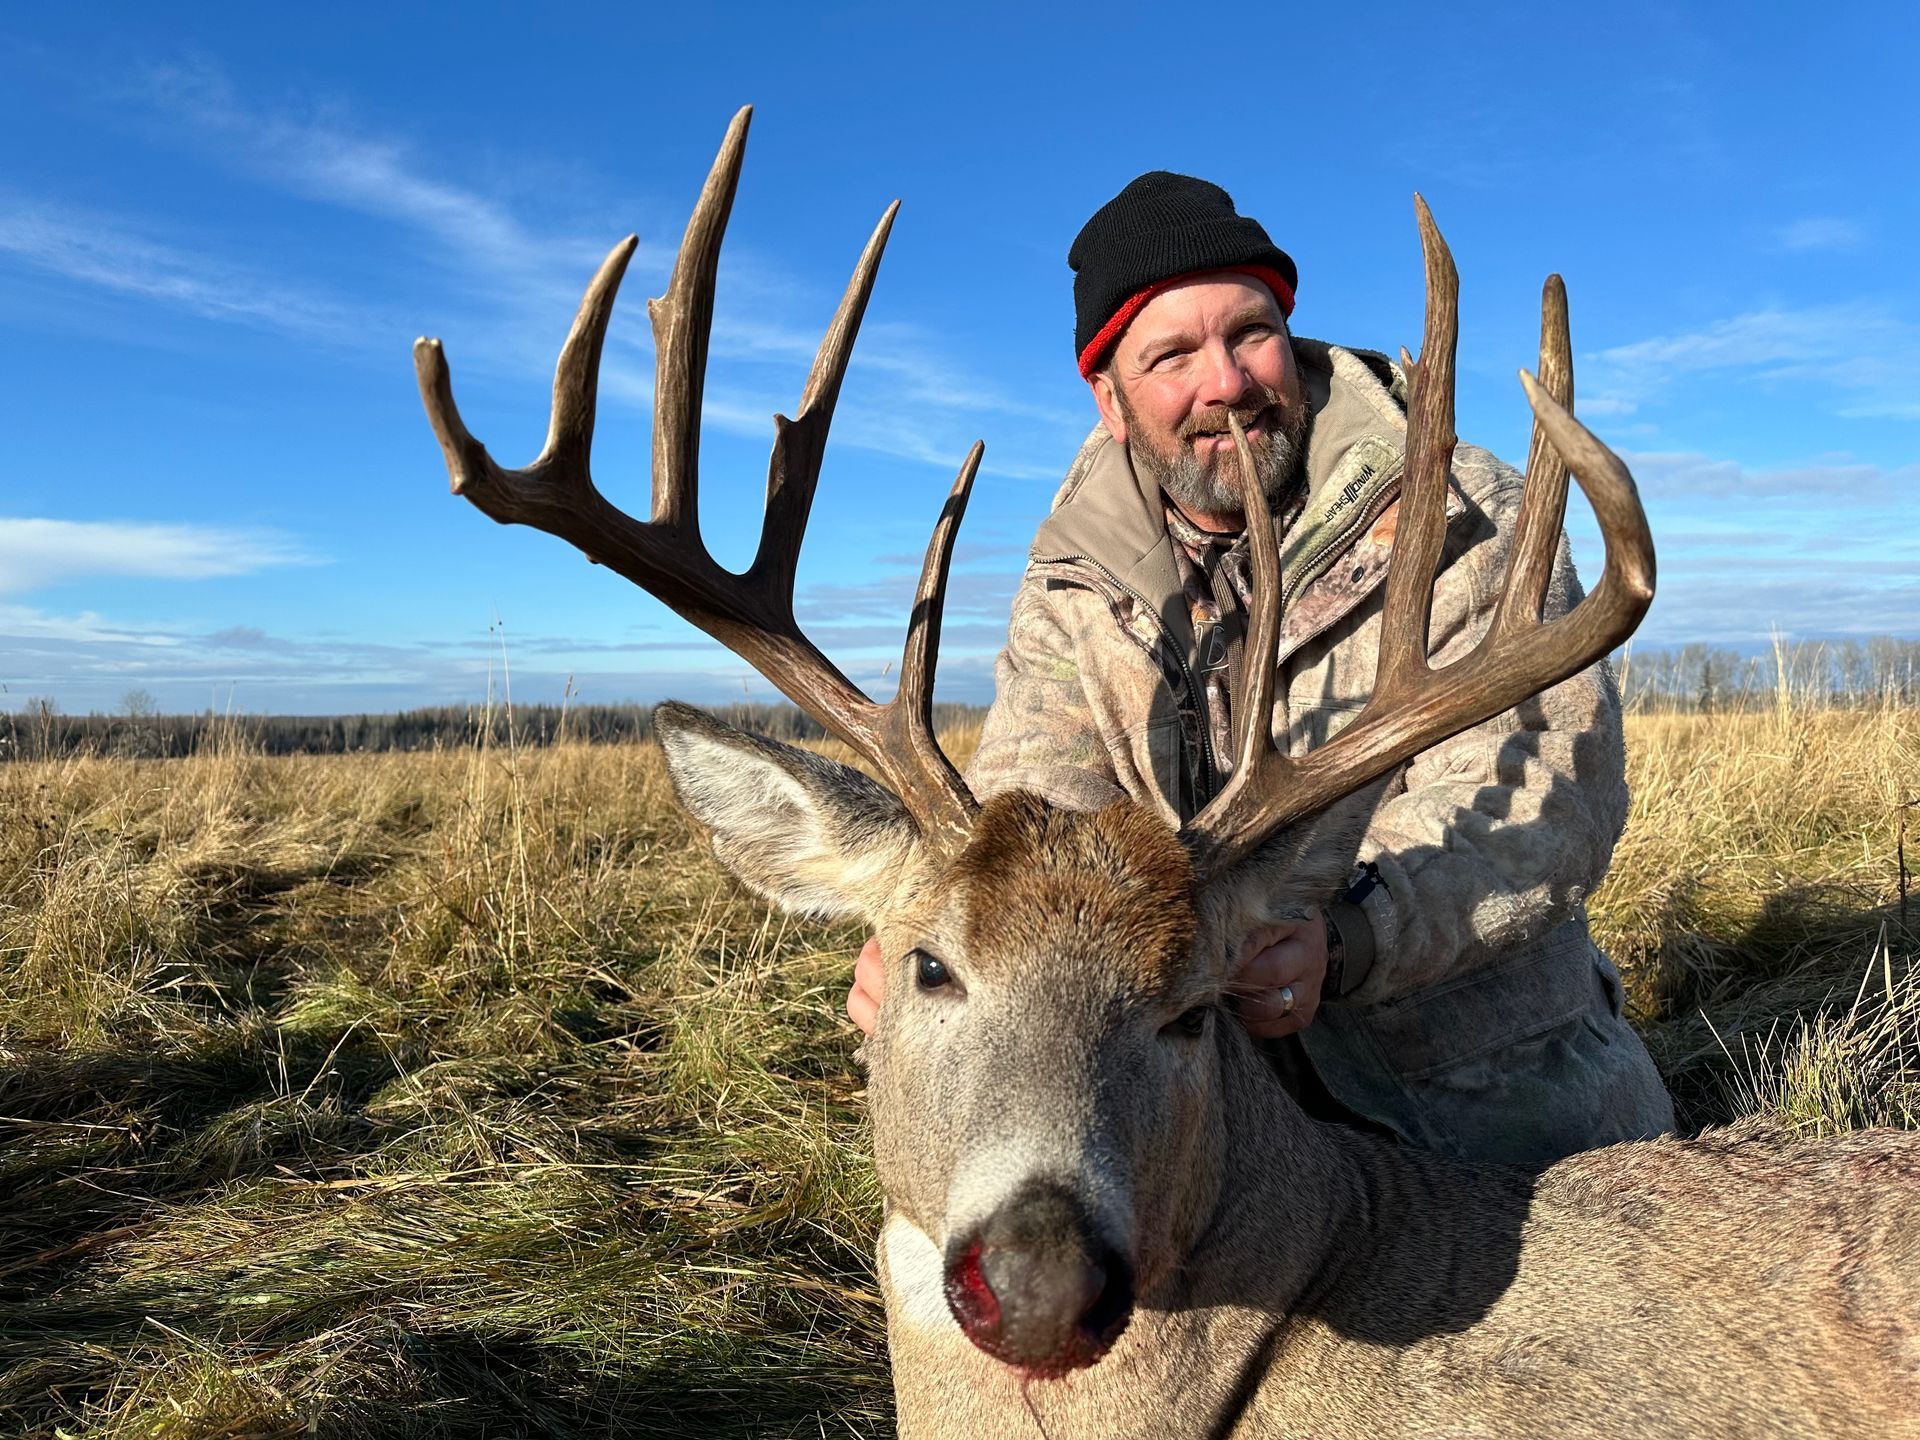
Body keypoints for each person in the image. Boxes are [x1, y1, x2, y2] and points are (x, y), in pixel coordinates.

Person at [848, 171, 1675, 1168]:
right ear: (1110, 400)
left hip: (1484, 1107)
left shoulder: (1464, 511)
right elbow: (1038, 791)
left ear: (1289, 333)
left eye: (1249, 333)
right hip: (1193, 1105)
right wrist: (946, 927)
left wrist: (1353, 935)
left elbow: (1546, 789)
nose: (1227, 384)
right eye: (1172, 356)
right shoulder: (1075, 573)